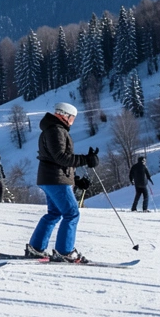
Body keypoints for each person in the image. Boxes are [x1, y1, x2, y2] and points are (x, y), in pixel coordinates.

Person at [24, 102, 98, 263]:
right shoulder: (56, 130)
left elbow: (56, 159)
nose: (73, 122)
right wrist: (86, 159)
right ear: (65, 116)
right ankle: (64, 251)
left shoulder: (54, 129)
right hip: (55, 179)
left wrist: (75, 179)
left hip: (52, 178)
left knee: (54, 213)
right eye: (73, 118)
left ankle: (36, 248)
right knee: (72, 213)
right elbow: (61, 158)